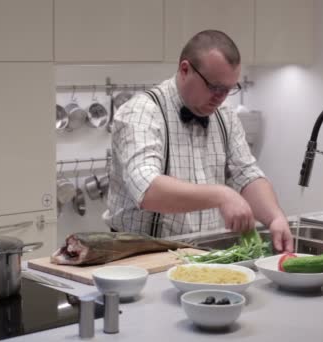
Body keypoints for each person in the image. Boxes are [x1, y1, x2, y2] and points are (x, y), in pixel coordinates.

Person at [103, 30, 293, 253]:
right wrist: (222, 195)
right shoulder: (141, 112)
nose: (221, 98)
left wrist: (275, 218)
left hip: (205, 255)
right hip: (142, 258)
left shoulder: (225, 117)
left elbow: (247, 174)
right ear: (185, 69)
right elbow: (147, 189)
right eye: (215, 87)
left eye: (229, 89)